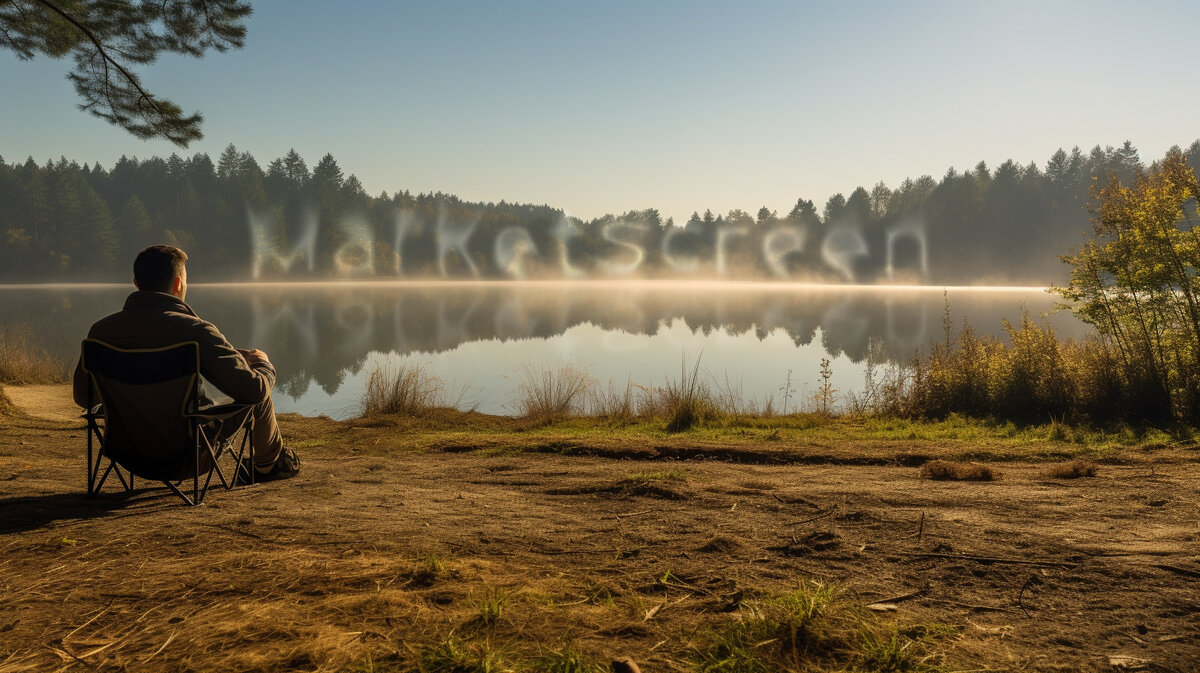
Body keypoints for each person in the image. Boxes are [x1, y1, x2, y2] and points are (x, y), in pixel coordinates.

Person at [72, 244, 300, 481]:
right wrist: (263, 365)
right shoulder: (196, 331)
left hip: (126, 454)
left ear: (136, 283)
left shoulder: (101, 331)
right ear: (178, 284)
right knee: (259, 387)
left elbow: (84, 398)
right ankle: (268, 465)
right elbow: (253, 391)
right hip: (186, 457)